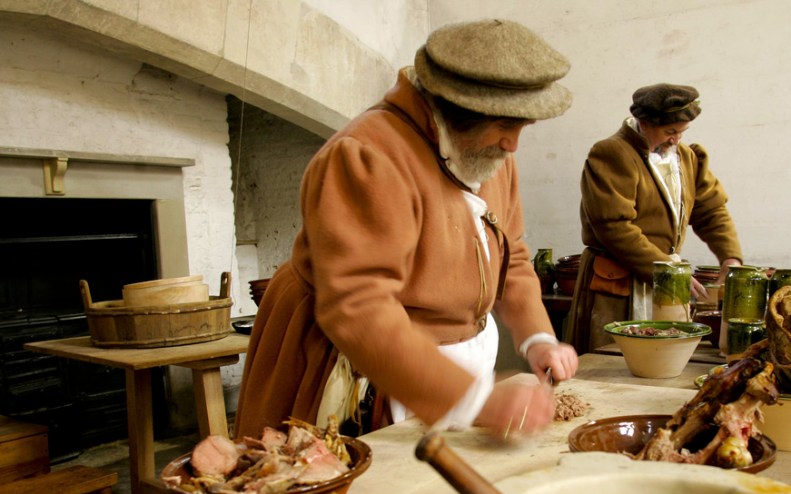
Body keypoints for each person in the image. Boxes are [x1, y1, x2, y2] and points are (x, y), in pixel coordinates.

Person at [234, 19, 579, 441]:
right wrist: (476, 401)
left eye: (522, 128)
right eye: (506, 127)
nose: (513, 146)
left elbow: (513, 255)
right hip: (361, 367)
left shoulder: (489, 156)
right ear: (459, 111)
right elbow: (360, 307)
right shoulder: (367, 157)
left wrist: (537, 338)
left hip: (447, 378)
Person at [565, 83, 744, 354]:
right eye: (669, 131)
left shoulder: (686, 157)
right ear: (644, 123)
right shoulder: (612, 153)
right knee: (610, 363)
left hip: (664, 278)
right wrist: (666, 271)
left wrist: (730, 258)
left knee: (661, 359)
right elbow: (613, 226)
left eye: (682, 132)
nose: (676, 140)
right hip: (618, 283)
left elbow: (711, 210)